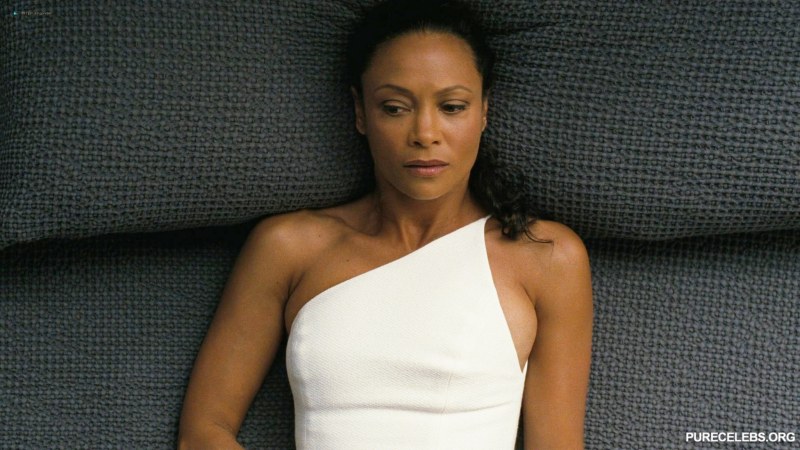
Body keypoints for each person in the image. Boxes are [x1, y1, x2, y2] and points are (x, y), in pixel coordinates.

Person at [178, 0, 593, 448]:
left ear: (484, 111)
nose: (425, 133)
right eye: (395, 108)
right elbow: (203, 431)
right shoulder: (288, 247)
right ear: (361, 112)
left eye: (452, 106)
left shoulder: (546, 256)